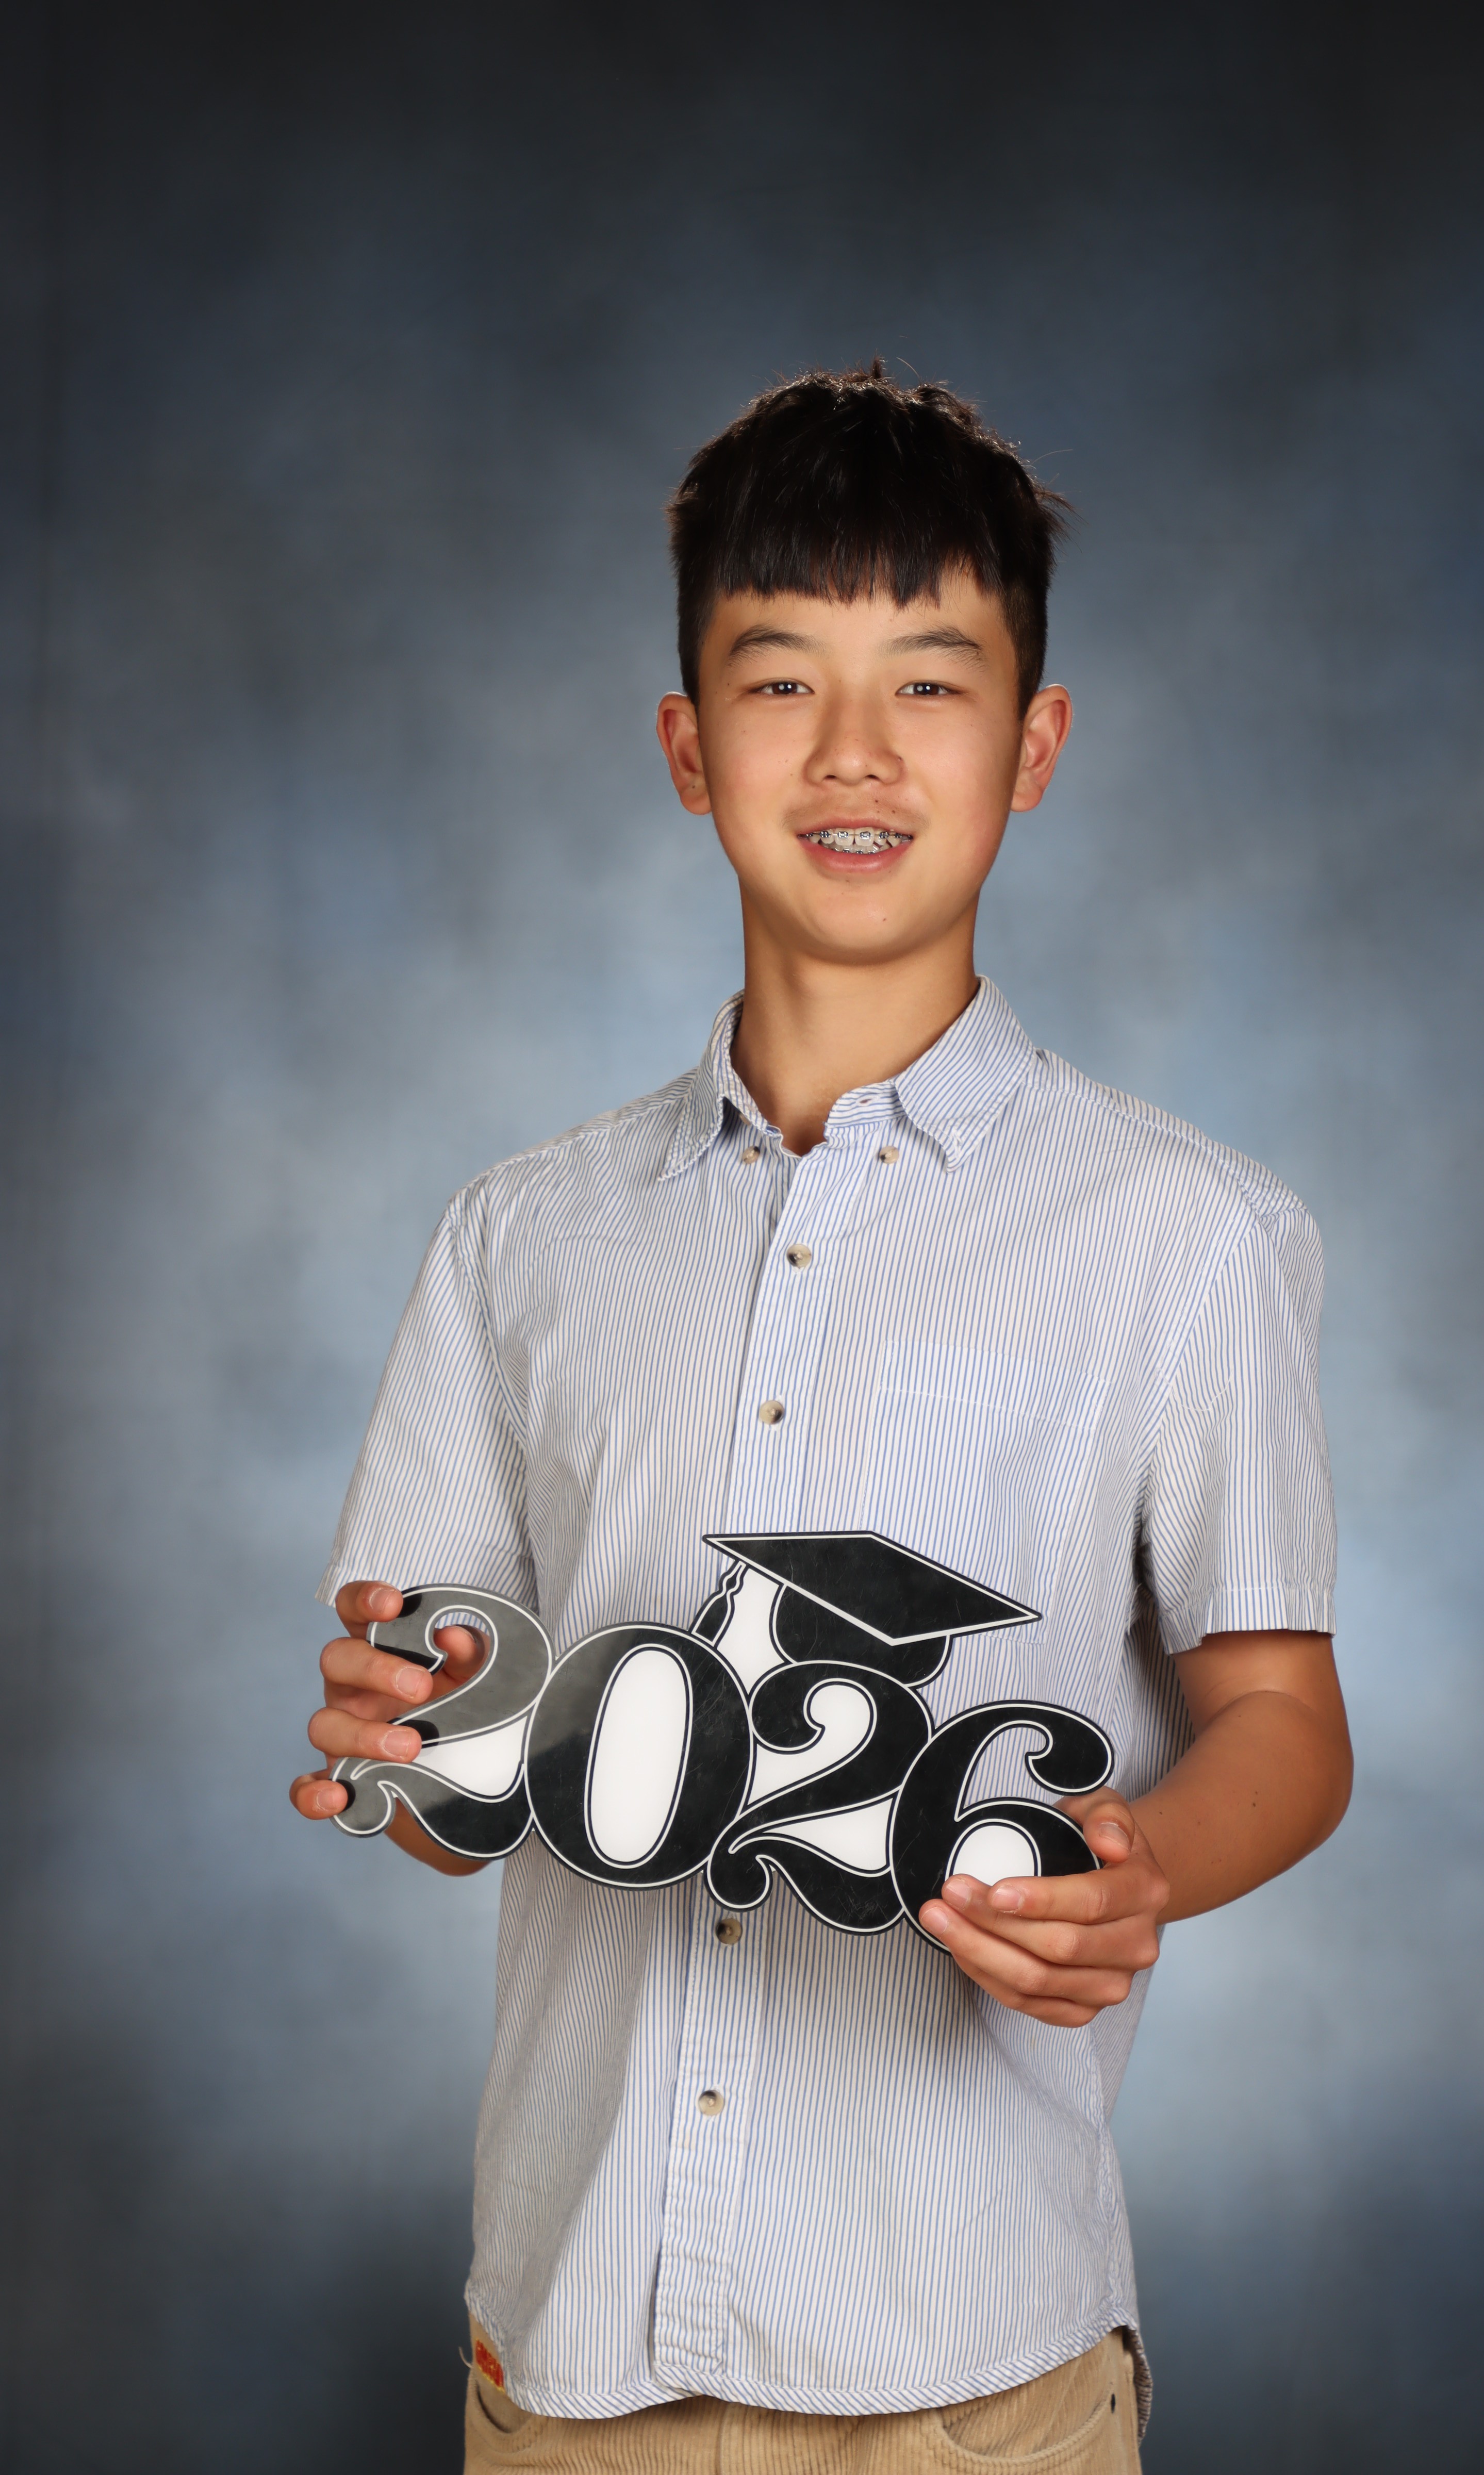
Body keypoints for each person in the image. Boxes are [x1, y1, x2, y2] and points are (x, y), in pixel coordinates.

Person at [291, 362, 1352, 2472]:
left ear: (1033, 744)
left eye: (928, 683)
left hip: (973, 2369)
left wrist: (1141, 1865)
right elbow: (436, 1758)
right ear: (688, 746)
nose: (853, 750)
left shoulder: (1187, 1236)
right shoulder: (521, 1236)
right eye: (780, 681)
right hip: (568, 2361)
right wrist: (399, 1748)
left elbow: (1284, 1720)